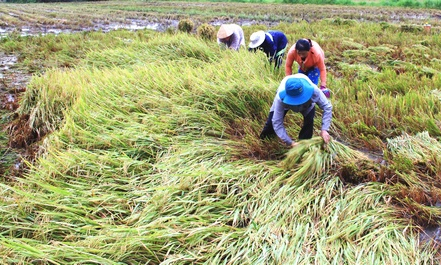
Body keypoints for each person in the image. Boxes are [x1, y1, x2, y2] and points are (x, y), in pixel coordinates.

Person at [259, 73, 332, 147]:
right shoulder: (281, 98)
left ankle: (304, 145)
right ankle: (264, 141)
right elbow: (277, 122)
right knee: (270, 124)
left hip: (307, 104)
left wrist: (324, 129)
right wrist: (290, 142)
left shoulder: (314, 91)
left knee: (309, 121)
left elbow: (327, 107)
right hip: (286, 102)